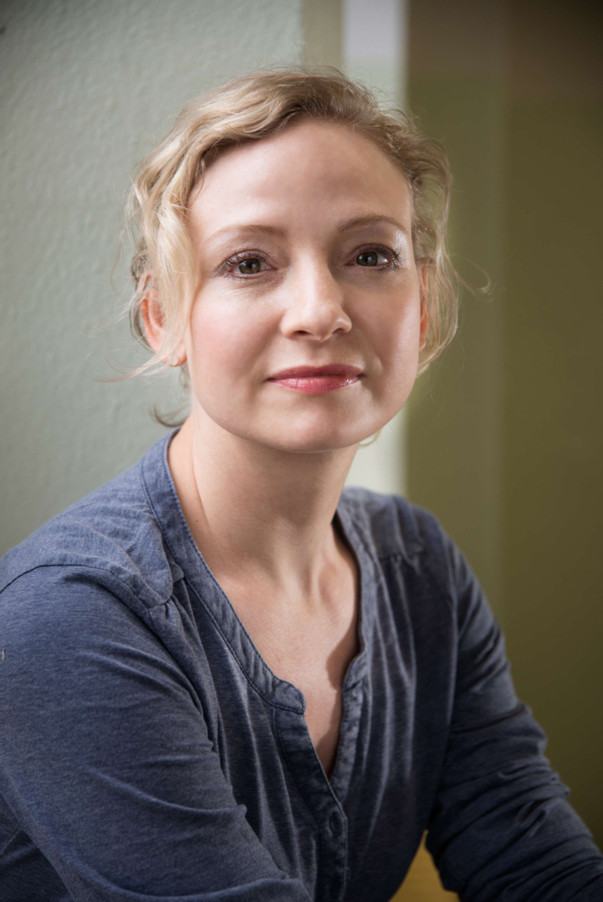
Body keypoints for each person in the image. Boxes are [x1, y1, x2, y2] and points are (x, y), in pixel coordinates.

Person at [0, 69, 601, 902]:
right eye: (249, 262)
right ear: (163, 316)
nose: (320, 310)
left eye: (370, 256)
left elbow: (532, 863)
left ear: (423, 306)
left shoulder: (420, 567)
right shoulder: (70, 615)